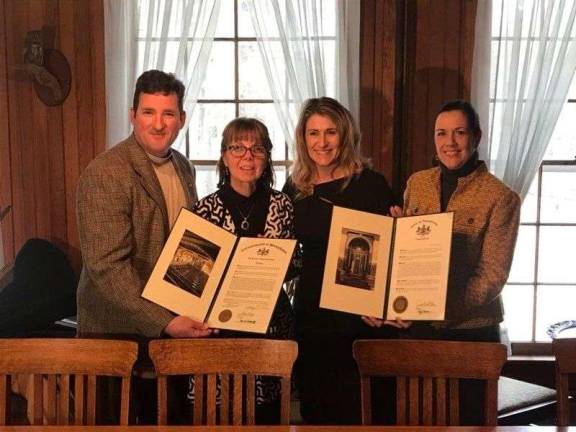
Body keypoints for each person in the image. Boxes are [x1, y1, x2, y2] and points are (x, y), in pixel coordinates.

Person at [400, 99, 521, 424]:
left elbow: (492, 275)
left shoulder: (501, 197)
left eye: (459, 132)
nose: (449, 142)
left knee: (468, 422)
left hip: (472, 333)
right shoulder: (417, 183)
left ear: (476, 137)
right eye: (441, 133)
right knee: (417, 419)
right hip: (419, 331)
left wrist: (441, 308)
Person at [282, 96, 400, 425]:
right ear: (303, 139)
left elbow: (392, 254)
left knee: (368, 413)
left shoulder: (372, 185)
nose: (322, 142)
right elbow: (287, 253)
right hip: (314, 318)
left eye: (330, 132)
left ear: (345, 135)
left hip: (363, 318)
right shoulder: (295, 187)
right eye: (313, 133)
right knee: (319, 411)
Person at [76, 69, 212, 340]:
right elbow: (107, 267)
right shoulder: (106, 171)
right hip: (115, 335)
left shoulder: (184, 168)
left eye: (168, 114)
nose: (158, 124)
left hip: (173, 327)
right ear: (132, 115)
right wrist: (164, 322)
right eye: (148, 112)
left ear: (182, 119)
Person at [190, 117, 295, 424]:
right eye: (237, 147)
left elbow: (294, 265)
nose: (247, 157)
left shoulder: (283, 205)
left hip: (271, 328)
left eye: (257, 149)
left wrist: (273, 260)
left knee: (266, 417)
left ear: (267, 157)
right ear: (224, 157)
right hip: (218, 331)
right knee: (219, 414)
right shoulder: (203, 210)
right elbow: (195, 274)